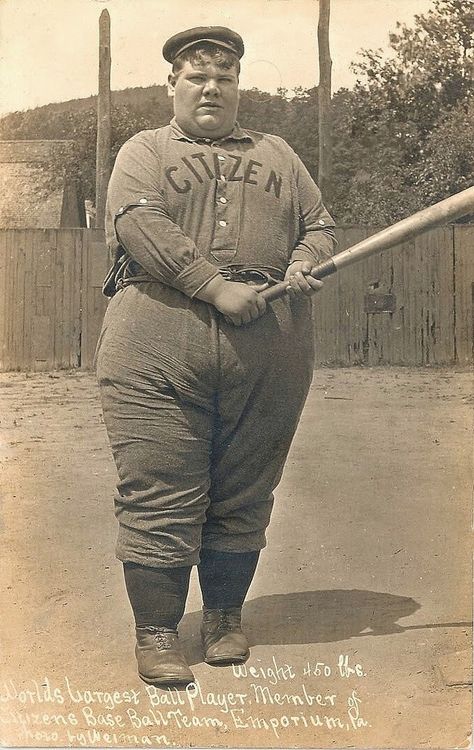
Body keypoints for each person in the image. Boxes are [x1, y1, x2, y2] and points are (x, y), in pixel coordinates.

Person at [96, 25, 336, 687]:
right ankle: (157, 634)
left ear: (238, 86)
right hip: (156, 337)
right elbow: (137, 222)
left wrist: (304, 261)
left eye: (224, 77)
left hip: (270, 342)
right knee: (158, 485)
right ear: (173, 84)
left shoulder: (278, 154)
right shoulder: (143, 150)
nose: (211, 88)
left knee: (244, 485)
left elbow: (320, 226)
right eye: (197, 76)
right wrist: (212, 287)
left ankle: (225, 616)